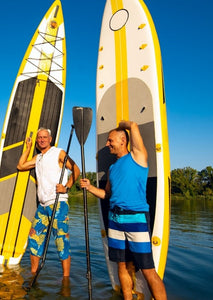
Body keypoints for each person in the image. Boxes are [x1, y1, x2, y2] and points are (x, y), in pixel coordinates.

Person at [79, 120, 167, 300]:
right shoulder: (112, 168)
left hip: (136, 219)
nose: (107, 144)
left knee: (148, 270)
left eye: (110, 140)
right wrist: (89, 187)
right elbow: (108, 194)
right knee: (121, 266)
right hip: (115, 220)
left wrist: (121, 123)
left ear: (122, 140)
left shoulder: (138, 156)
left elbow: (133, 126)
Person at [17, 128, 80, 277]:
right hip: (43, 205)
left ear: (50, 139)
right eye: (39, 138)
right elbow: (21, 166)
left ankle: (65, 278)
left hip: (58, 203)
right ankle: (34, 273)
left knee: (61, 240)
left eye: (44, 137)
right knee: (34, 238)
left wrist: (67, 187)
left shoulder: (58, 152)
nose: (42, 140)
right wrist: (28, 148)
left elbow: (75, 169)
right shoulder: (38, 158)